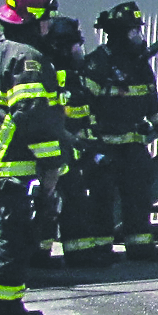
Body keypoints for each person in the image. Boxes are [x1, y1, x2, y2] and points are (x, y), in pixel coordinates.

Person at [0, 0, 69, 315]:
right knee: (13, 234)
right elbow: (32, 116)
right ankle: (2, 304)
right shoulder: (28, 57)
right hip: (15, 162)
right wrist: (52, 164)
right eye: (47, 18)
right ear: (35, 19)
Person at [78, 1, 158, 263]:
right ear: (118, 33)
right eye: (132, 32)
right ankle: (101, 249)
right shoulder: (96, 65)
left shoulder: (139, 64)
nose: (138, 37)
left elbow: (151, 101)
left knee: (139, 196)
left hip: (133, 145)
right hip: (103, 146)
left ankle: (140, 246)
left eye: (138, 31)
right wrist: (92, 145)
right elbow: (84, 107)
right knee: (102, 198)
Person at [31, 15, 92, 269]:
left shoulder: (74, 73)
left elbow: (81, 110)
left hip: (71, 148)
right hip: (51, 149)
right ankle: (38, 253)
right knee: (47, 201)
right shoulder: (45, 70)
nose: (76, 51)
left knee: (75, 200)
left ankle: (78, 254)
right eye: (71, 45)